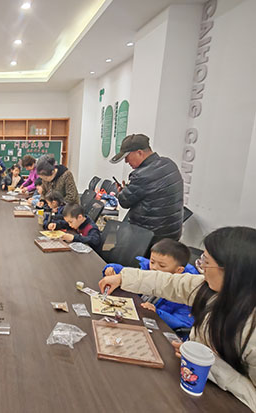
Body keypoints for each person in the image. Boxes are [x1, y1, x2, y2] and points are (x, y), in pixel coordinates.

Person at [98, 227, 256, 411]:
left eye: (206, 262)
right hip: (191, 384)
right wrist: (122, 278)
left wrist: (211, 366)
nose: (201, 267)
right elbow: (168, 283)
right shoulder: (211, 288)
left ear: (233, 271)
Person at [103, 238, 198, 332]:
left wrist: (158, 313)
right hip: (136, 314)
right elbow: (130, 274)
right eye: (152, 262)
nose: (154, 267)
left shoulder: (188, 291)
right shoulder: (148, 268)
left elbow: (183, 322)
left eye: (162, 266)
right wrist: (112, 268)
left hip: (157, 328)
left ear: (179, 270)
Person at [111, 133, 183, 243]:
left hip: (150, 237)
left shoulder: (141, 175)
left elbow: (124, 202)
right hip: (172, 234)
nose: (126, 161)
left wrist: (120, 192)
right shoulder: (169, 164)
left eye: (127, 157)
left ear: (139, 153)